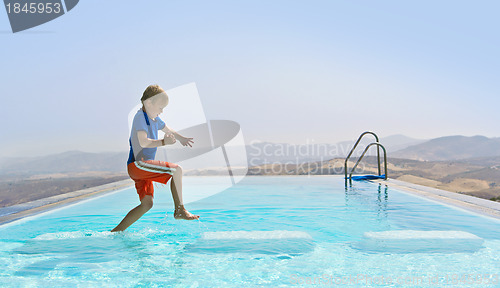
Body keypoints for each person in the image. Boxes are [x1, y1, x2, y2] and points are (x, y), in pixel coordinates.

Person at [111, 84, 199, 232]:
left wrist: (181, 138)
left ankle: (117, 231)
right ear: (149, 102)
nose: (161, 111)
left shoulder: (154, 119)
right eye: (160, 107)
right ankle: (180, 210)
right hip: (138, 164)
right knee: (176, 170)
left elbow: (167, 128)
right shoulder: (141, 117)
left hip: (140, 168)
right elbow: (143, 142)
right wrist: (164, 142)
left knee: (147, 204)